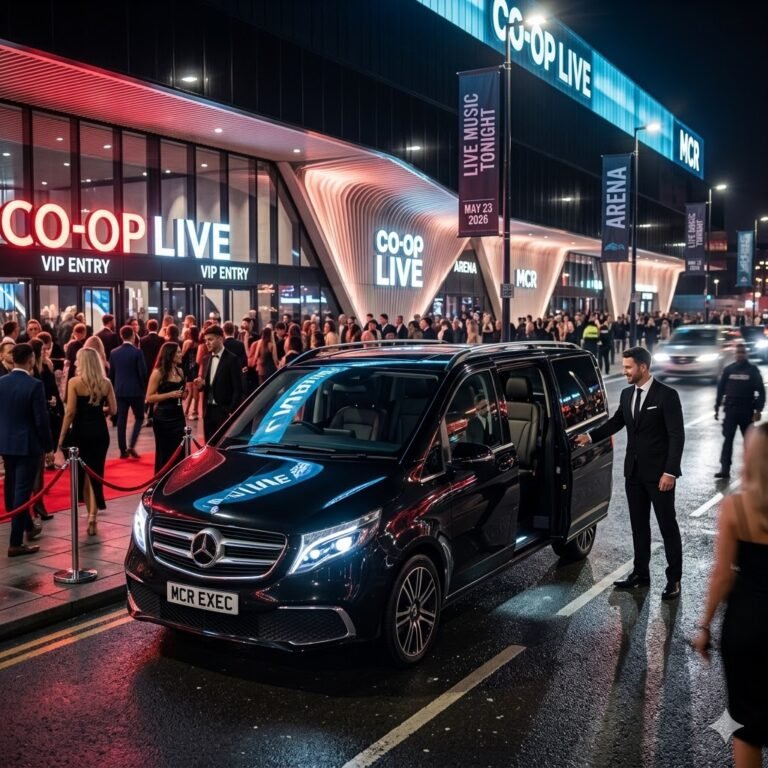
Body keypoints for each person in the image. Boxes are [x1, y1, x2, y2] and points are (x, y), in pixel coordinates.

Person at [575, 346, 685, 599]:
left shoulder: (666, 396)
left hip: (660, 477)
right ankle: (640, 574)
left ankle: (674, 580)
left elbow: (676, 436)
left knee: (668, 527)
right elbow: (617, 422)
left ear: (643, 368)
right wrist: (590, 436)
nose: (624, 371)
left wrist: (670, 472)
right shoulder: (627, 394)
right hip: (633, 473)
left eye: (628, 367)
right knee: (639, 526)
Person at [693, 423, 768, 766]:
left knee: (747, 730)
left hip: (746, 627)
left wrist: (705, 626)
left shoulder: (735, 508)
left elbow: (722, 577)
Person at [0, 344, 54, 556]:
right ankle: (15, 542)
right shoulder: (34, 385)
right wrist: (49, 447)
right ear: (31, 359)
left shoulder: (1, 382)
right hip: (27, 445)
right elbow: (41, 420)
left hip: (6, 443)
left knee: (12, 487)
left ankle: (28, 527)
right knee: (22, 491)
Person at [59, 348, 117, 536]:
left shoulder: (74, 382)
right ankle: (93, 515)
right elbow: (114, 410)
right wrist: (100, 409)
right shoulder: (106, 383)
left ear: (82, 362)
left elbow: (70, 412)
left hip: (80, 432)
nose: (75, 363)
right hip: (100, 433)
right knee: (96, 472)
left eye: (77, 360)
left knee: (83, 475)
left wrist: (60, 438)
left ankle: (90, 513)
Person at [714, 342, 765, 479]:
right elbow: (720, 390)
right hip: (731, 410)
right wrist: (717, 407)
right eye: (738, 352)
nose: (740, 355)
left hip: (747, 410)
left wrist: (758, 410)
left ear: (746, 354)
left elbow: (761, 391)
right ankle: (725, 469)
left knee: (749, 441)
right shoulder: (729, 370)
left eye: (742, 352)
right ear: (735, 354)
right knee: (728, 440)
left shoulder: (753, 370)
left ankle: (753, 469)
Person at [194, 325, 243, 441]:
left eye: (210, 339)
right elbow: (208, 383)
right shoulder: (206, 359)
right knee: (209, 444)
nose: (207, 343)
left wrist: (231, 411)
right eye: (206, 340)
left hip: (224, 411)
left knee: (222, 444)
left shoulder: (232, 359)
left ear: (220, 339)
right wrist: (201, 385)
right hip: (208, 411)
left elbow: (238, 388)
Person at [145, 342, 188, 474]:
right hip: (163, 418)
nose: (181, 354)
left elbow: (183, 393)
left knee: (180, 451)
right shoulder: (158, 373)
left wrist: (184, 394)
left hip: (179, 416)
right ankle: (162, 481)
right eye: (178, 352)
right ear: (170, 354)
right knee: (165, 451)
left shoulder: (179, 371)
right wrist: (170, 395)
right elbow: (149, 397)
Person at [109, 325, 148, 459]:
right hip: (136, 391)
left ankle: (122, 450)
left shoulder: (114, 352)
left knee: (121, 420)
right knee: (140, 417)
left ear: (121, 336)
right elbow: (142, 373)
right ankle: (131, 445)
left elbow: (111, 374)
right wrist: (144, 388)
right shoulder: (137, 352)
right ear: (132, 336)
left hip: (119, 391)